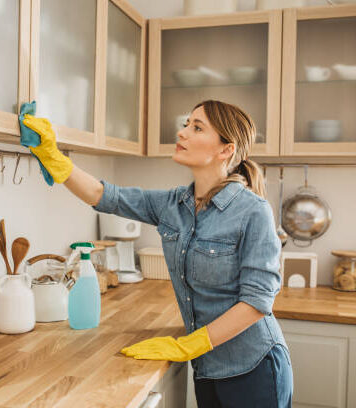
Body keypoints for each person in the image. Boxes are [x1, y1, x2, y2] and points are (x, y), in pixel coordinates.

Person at [20, 99, 293, 407]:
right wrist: (53, 156)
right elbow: (105, 196)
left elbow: (257, 302)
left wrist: (190, 345)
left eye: (197, 127)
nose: (182, 133)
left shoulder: (252, 211)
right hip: (206, 367)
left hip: (254, 368)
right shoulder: (173, 205)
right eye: (186, 123)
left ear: (225, 149)